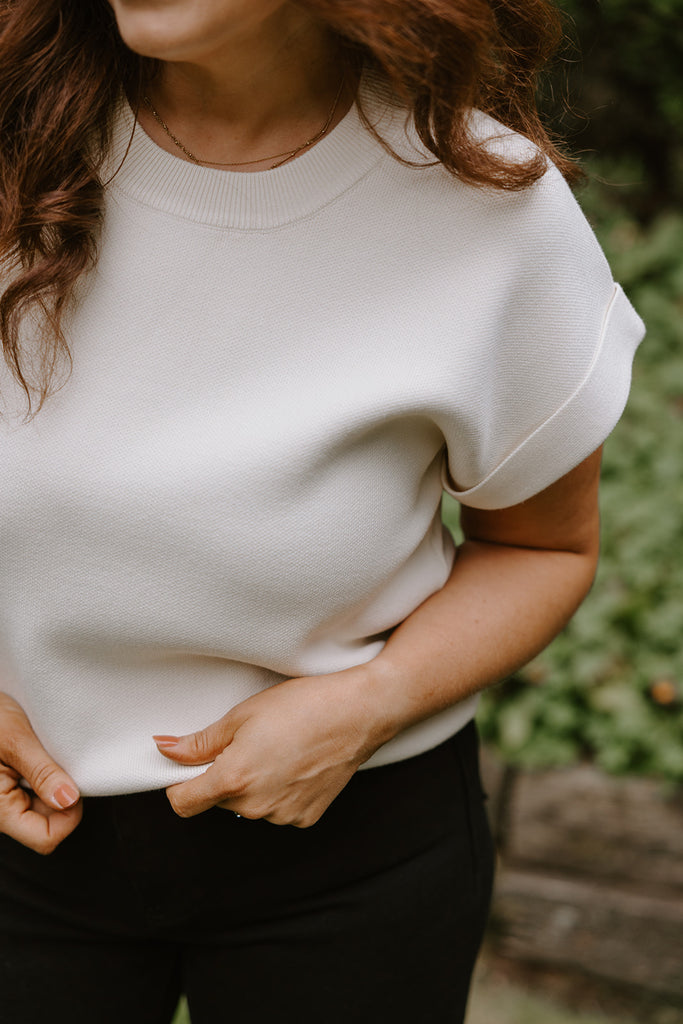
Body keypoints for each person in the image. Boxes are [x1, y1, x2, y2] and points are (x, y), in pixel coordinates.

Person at [0, 1, 644, 1021]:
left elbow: (540, 548)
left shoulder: (484, 200)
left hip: (352, 858)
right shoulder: (14, 135)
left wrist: (369, 700)